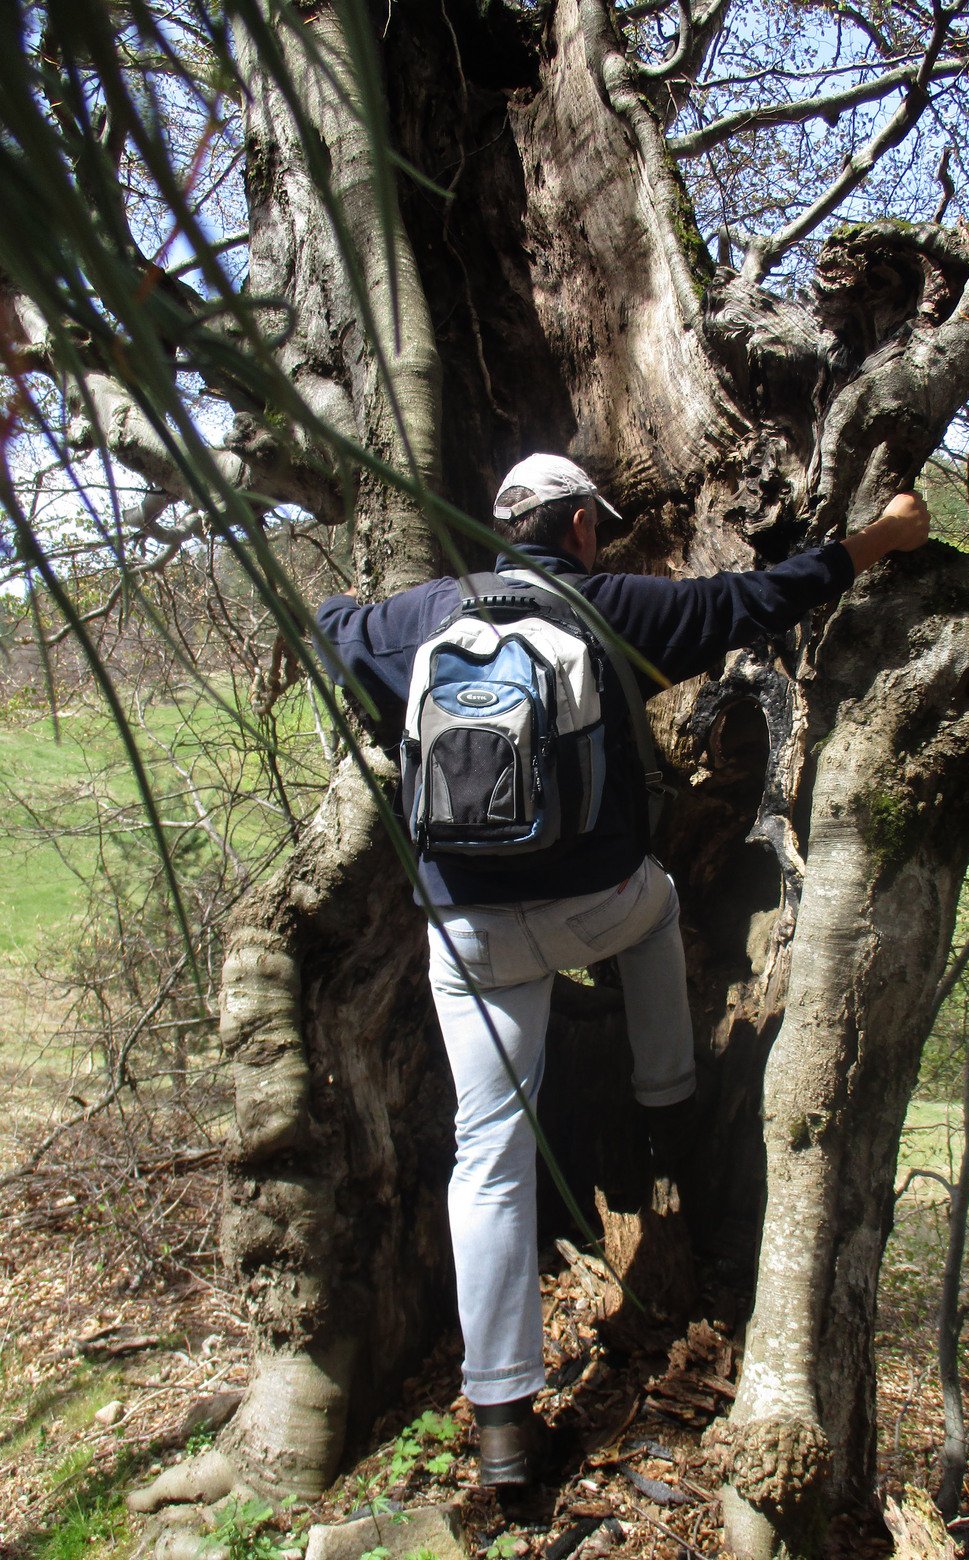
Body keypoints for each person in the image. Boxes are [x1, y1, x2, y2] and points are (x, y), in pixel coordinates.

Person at [317, 454, 930, 1486]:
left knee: (490, 1155)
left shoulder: (422, 617)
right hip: (599, 908)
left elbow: (330, 627)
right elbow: (757, 599)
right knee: (661, 904)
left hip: (470, 935)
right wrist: (875, 541)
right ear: (583, 531)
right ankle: (668, 1104)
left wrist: (349, 613)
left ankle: (505, 1418)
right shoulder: (613, 608)